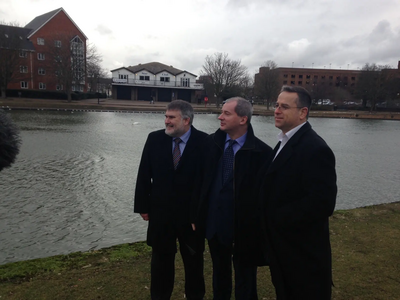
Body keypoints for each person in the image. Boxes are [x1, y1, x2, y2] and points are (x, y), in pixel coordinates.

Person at [259, 85, 337, 299]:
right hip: (283, 251)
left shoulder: (315, 149)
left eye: (284, 106)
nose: (276, 110)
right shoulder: (285, 141)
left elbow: (322, 203)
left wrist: (277, 217)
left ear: (303, 113)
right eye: (276, 105)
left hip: (302, 255)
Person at [193, 97, 272, 300]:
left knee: (246, 281)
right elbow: (200, 184)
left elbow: (265, 198)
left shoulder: (262, 153)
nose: (220, 116)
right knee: (220, 277)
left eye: (227, 113)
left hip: (244, 230)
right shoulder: (210, 144)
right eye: (222, 112)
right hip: (214, 226)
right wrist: (197, 215)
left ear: (243, 119)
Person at [134, 100, 207, 300]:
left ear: (186, 120)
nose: (166, 121)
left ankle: (195, 296)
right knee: (160, 263)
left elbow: (206, 182)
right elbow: (144, 174)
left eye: (171, 117)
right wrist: (142, 206)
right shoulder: (154, 139)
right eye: (166, 116)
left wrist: (199, 213)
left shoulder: (204, 142)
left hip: (191, 217)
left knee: (194, 262)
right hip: (160, 213)